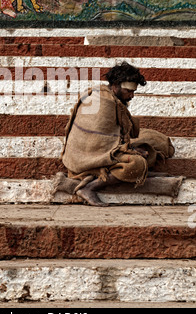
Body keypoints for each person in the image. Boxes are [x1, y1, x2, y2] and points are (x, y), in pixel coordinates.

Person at [60, 61, 175, 206]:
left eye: (133, 92)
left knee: (149, 148)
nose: (132, 96)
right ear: (115, 86)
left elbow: (111, 138)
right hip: (84, 158)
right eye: (129, 91)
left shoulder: (112, 99)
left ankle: (130, 171)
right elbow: (99, 144)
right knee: (137, 164)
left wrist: (130, 149)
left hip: (104, 151)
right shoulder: (103, 102)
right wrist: (130, 151)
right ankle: (89, 187)